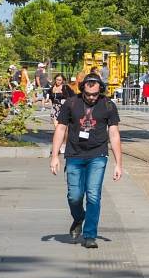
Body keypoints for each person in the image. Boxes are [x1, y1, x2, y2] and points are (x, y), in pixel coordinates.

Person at [50, 74, 122, 249]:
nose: (91, 97)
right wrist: (55, 156)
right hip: (74, 155)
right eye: (88, 94)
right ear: (82, 90)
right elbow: (61, 128)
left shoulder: (108, 105)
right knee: (74, 196)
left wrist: (118, 163)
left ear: (100, 91)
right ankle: (79, 217)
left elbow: (114, 134)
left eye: (95, 94)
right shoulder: (71, 103)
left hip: (98, 155)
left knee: (93, 194)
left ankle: (90, 235)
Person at [49, 74, 74, 154]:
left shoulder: (66, 87)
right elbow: (50, 98)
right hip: (55, 109)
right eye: (57, 80)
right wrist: (51, 105)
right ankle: (57, 146)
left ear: (62, 80)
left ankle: (64, 144)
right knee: (57, 128)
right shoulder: (52, 88)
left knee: (65, 128)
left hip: (64, 108)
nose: (58, 81)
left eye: (60, 80)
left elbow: (73, 97)